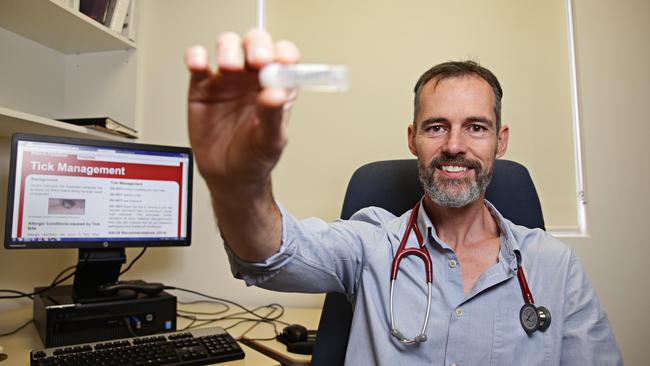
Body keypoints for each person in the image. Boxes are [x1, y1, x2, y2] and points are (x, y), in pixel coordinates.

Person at [184, 29, 623, 365]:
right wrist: (239, 185)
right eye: (436, 127)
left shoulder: (556, 267)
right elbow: (271, 254)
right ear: (413, 139)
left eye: (475, 126)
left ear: (500, 142)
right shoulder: (372, 242)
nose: (454, 145)